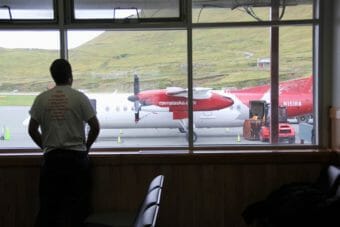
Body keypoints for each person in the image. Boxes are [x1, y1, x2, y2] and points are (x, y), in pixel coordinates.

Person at [28, 58, 100, 227]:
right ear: (70, 76)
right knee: (78, 209)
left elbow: (32, 129)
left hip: (52, 162)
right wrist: (85, 148)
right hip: (77, 161)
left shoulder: (41, 99)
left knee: (48, 209)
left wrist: (46, 146)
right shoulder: (80, 98)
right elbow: (95, 127)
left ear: (53, 76)